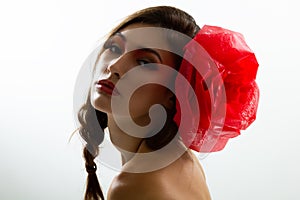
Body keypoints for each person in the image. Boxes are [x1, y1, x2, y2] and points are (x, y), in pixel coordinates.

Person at [74, 5, 259, 200]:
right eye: (114, 48)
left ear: (174, 94)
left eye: (144, 62)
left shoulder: (135, 184)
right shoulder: (180, 159)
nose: (114, 66)